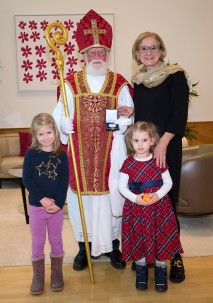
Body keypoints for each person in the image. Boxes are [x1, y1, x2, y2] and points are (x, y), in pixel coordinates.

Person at [53, 9, 134, 271]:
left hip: (113, 152)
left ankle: (113, 246)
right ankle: (83, 247)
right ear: (83, 56)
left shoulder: (119, 83)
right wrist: (62, 125)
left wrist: (123, 122)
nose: (97, 57)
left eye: (102, 52)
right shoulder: (69, 84)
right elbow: (59, 115)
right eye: (92, 53)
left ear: (107, 55)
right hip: (79, 153)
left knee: (111, 199)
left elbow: (129, 117)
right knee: (80, 200)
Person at [131, 31, 191, 283]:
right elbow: (141, 116)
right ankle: (147, 253)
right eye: (143, 48)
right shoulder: (138, 82)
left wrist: (163, 143)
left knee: (166, 202)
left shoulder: (175, 76)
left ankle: (175, 255)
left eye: (153, 47)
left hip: (166, 147)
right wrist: (129, 110)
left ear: (162, 51)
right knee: (144, 200)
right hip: (143, 150)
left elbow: (179, 114)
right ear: (136, 53)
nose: (149, 52)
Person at [118, 121, 184, 292]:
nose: (140, 145)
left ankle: (161, 271)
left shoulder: (158, 161)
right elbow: (122, 187)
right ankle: (141, 271)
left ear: (153, 140)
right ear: (130, 142)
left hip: (159, 209)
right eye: (136, 141)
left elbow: (168, 183)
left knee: (160, 237)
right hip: (136, 210)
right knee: (138, 238)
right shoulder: (128, 164)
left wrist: (157, 196)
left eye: (145, 140)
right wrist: (135, 198)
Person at [22, 113, 69, 295]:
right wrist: (42, 199)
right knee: (37, 241)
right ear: (35, 136)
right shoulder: (31, 154)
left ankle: (57, 273)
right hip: (36, 206)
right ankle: (38, 276)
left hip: (56, 208)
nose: (45, 137)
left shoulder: (62, 156)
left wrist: (58, 203)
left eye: (48, 132)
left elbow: (63, 181)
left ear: (55, 132)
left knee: (56, 239)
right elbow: (27, 179)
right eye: (41, 134)